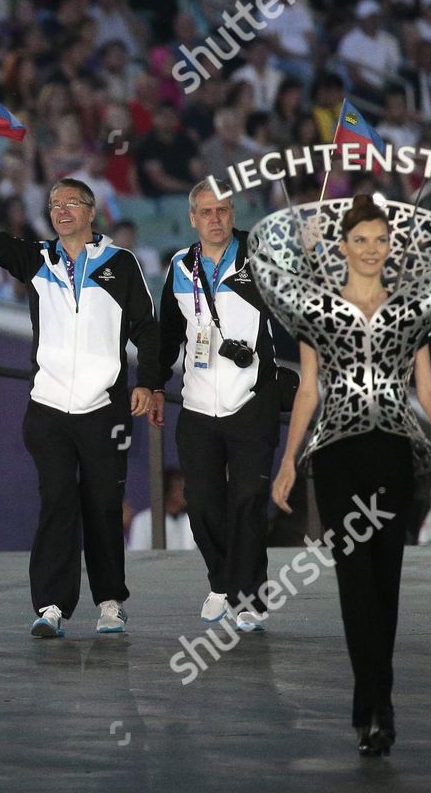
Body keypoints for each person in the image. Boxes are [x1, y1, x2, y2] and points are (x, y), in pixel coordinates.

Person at [260, 194, 431, 757]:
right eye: (361, 240)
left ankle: (379, 702)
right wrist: (287, 461)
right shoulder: (319, 313)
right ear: (343, 248)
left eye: (381, 240)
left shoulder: (410, 313)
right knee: (354, 580)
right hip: (337, 455)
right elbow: (307, 389)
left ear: (390, 246)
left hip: (394, 454)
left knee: (386, 580)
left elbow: (426, 389)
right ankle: (373, 709)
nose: (372, 249)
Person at [0, 171, 160, 637]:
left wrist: (148, 382)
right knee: (57, 502)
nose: (60, 211)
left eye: (70, 203)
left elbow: (147, 328)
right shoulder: (37, 258)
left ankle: (110, 601)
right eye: (53, 205)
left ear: (91, 211)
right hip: (47, 407)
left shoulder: (121, 263)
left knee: (103, 505)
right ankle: (51, 606)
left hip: (103, 407)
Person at [145, 182, 281, 630]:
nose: (216, 219)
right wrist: (153, 384)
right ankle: (222, 583)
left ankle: (251, 599)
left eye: (223, 210)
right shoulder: (180, 267)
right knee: (201, 501)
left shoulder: (260, 255)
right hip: (199, 403)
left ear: (233, 212)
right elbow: (166, 337)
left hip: (251, 401)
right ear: (192, 218)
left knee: (247, 500)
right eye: (206, 212)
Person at [126, 468, 195, 551]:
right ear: (168, 491)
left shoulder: (190, 518)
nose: (186, 493)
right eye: (181, 488)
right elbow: (138, 555)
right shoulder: (143, 520)